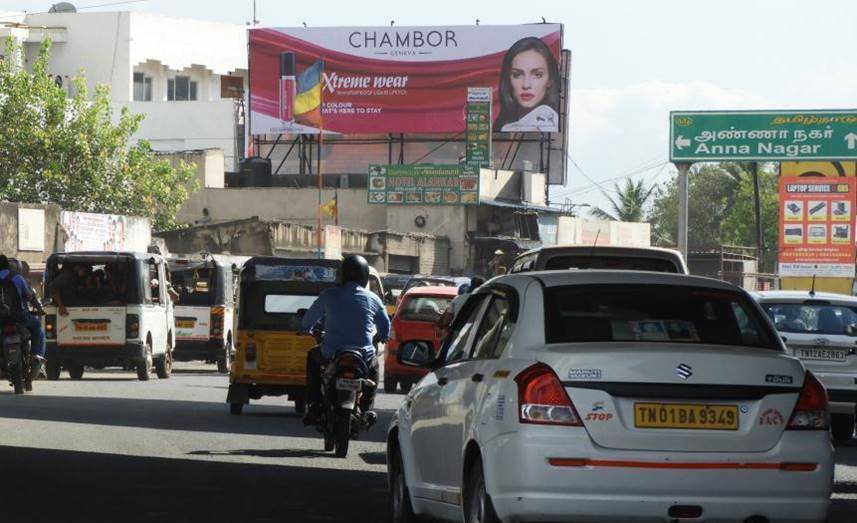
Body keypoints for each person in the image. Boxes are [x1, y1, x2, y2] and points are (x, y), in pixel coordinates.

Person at [300, 255, 390, 425]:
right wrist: (383, 336)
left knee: (312, 357)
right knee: (375, 368)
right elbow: (385, 326)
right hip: (363, 354)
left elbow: (309, 318)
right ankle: (367, 409)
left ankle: (314, 404)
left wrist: (305, 330)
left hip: (331, 352)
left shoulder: (329, 294)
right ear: (364, 275)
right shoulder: (373, 298)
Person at [494, 37, 561, 132]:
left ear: (549, 80)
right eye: (517, 75)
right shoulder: (502, 127)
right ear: (508, 79)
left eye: (538, 75)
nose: (526, 85)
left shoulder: (548, 126)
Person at [0, 255, 46, 372]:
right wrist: (39, 309)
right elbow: (30, 296)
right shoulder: (18, 278)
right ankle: (34, 356)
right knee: (36, 326)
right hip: (19, 317)